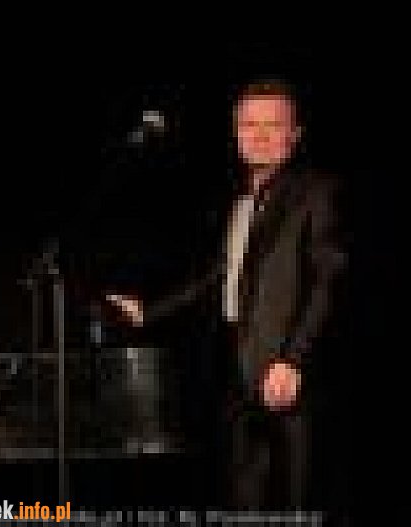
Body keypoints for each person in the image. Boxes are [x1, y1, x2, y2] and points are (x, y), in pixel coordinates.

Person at [106, 78, 347, 509]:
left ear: (295, 135)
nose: (259, 136)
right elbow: (220, 277)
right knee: (243, 499)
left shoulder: (316, 192)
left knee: (298, 501)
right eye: (249, 125)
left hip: (287, 376)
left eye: (273, 125)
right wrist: (149, 311)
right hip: (238, 372)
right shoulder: (240, 199)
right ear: (236, 133)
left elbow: (327, 282)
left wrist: (294, 359)